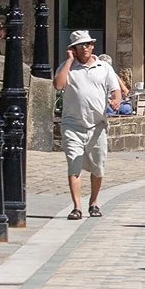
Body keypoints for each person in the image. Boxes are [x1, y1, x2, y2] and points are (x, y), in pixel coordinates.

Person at [54, 30, 123, 220]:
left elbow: (116, 90)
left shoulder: (104, 67)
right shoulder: (67, 67)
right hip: (72, 124)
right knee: (74, 163)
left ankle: (93, 202)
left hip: (97, 125)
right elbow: (58, 85)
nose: (84, 48)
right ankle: (77, 206)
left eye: (87, 44)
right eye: (79, 45)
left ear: (92, 46)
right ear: (73, 50)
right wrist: (68, 61)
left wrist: (116, 101)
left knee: (98, 167)